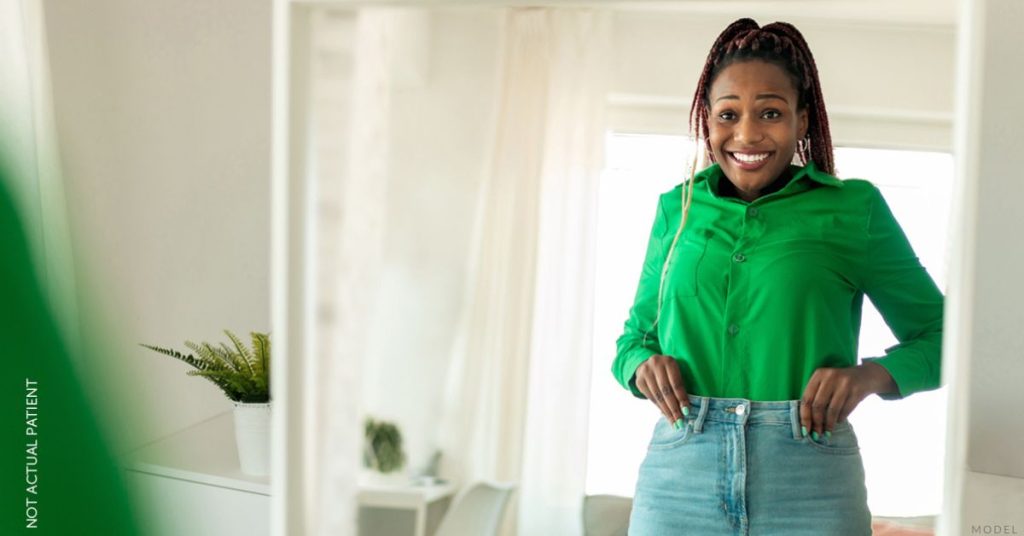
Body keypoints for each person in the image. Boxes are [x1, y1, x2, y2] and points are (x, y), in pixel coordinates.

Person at [611, 18, 944, 535]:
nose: (746, 134)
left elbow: (947, 338)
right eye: (728, 115)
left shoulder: (854, 209)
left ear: (802, 121)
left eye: (770, 113)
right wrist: (640, 365)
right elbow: (634, 338)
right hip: (680, 476)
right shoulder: (676, 211)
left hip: (808, 478)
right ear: (708, 121)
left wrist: (870, 376)